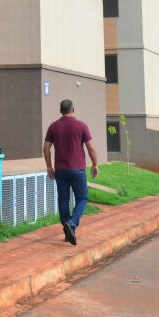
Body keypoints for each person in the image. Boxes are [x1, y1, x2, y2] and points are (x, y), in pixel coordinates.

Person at [43, 99, 99, 245]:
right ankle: (72, 223)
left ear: (60, 110)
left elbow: (46, 147)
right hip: (77, 169)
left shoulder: (53, 126)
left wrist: (49, 166)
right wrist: (95, 164)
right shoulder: (81, 125)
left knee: (63, 201)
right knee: (82, 198)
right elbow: (90, 146)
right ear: (73, 109)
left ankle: (68, 233)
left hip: (61, 170)